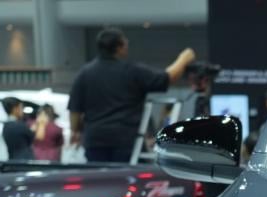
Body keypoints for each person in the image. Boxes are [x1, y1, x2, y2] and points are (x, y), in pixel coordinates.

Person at [68, 28, 197, 163]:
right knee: (127, 175)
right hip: (126, 141)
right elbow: (166, 78)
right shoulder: (131, 71)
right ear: (119, 47)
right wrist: (183, 59)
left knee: (100, 175)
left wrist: (75, 131)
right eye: (125, 43)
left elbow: (75, 110)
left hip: (95, 142)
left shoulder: (84, 74)